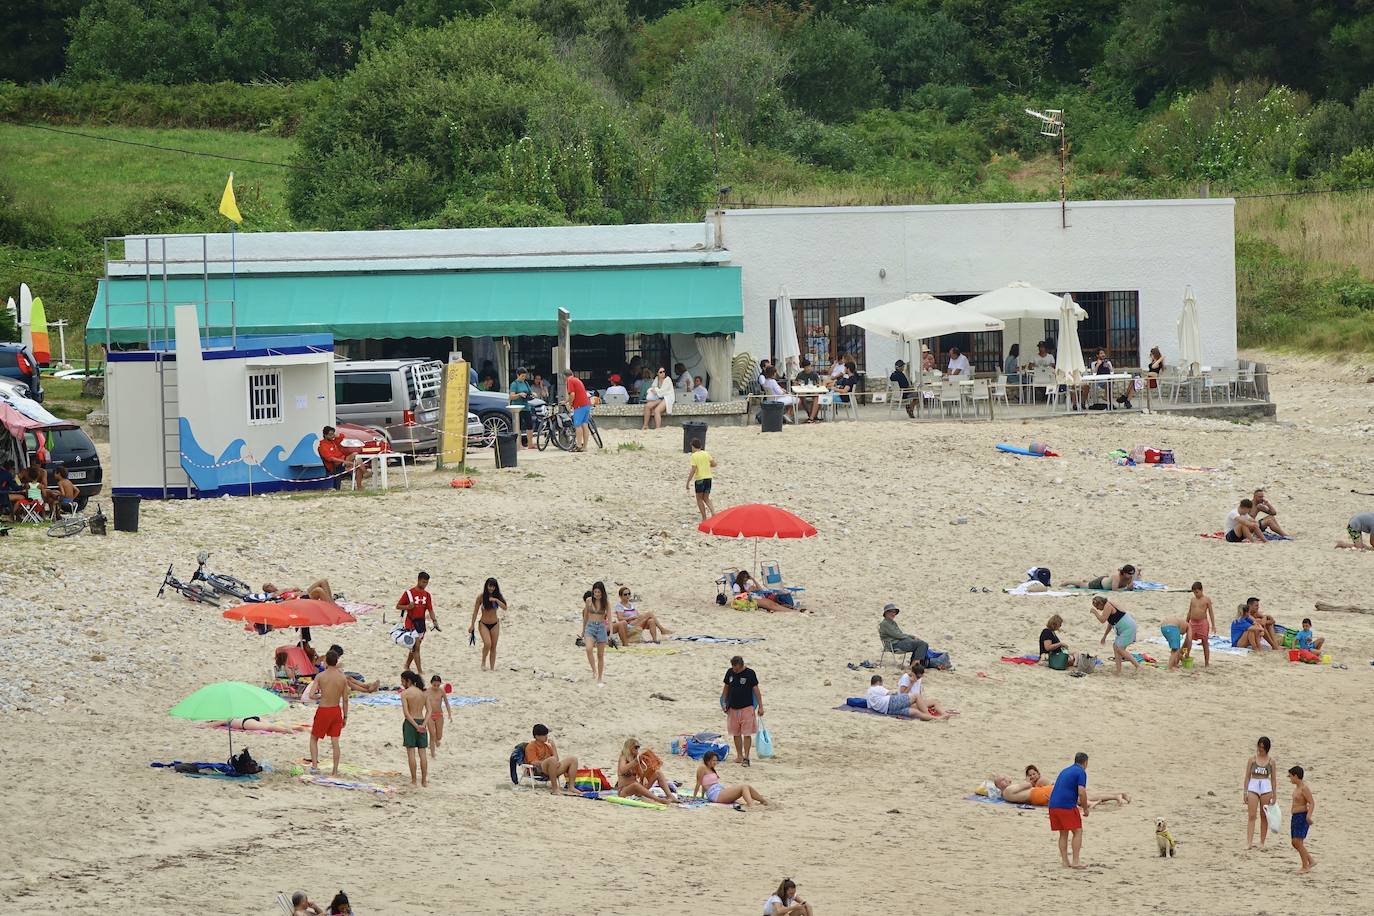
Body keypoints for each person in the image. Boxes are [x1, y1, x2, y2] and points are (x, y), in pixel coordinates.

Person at [305, 649, 349, 776]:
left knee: (314, 738)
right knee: (335, 742)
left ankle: (314, 767)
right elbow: (345, 699)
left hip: (324, 710)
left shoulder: (320, 676)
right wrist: (345, 716)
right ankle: (334, 771)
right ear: (337, 661)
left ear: (326, 661)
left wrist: (321, 696)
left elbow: (311, 695)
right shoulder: (342, 677)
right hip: (336, 710)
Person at [1049, 752, 1091, 869]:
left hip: (1053, 805)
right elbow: (1081, 792)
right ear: (1085, 763)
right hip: (1066, 806)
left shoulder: (1065, 770)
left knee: (1063, 833)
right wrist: (1085, 808)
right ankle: (1076, 861)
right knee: (1078, 831)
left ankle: (1065, 861)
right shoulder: (1081, 772)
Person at [722, 655, 762, 766]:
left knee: (747, 733)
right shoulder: (730, 672)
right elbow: (726, 688)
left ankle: (746, 757)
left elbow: (756, 691)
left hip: (747, 708)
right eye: (733, 668)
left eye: (737, 668)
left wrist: (761, 706)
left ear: (741, 665)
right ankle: (739, 756)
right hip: (732, 708)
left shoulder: (750, 673)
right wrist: (723, 703)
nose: (735, 670)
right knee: (736, 733)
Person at [695, 750, 767, 808]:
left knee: (747, 786)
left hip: (719, 790)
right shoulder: (702, 767)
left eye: (716, 760)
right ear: (708, 760)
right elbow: (699, 783)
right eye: (714, 760)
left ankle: (763, 801)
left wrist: (702, 795)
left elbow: (705, 783)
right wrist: (694, 797)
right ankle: (751, 805)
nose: (715, 762)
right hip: (715, 794)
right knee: (744, 787)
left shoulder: (711, 769)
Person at [616, 737, 679, 803]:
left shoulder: (636, 759)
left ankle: (670, 795)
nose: (637, 749)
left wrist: (646, 765)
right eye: (636, 747)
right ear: (629, 748)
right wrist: (635, 762)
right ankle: (659, 800)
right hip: (624, 791)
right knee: (635, 785)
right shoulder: (623, 758)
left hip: (637, 790)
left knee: (658, 773)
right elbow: (622, 770)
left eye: (638, 747)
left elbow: (642, 776)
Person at [397, 572, 436, 676]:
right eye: (423, 582)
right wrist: (407, 607)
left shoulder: (427, 595)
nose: (424, 585)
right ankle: (419, 671)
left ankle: (407, 665)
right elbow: (398, 606)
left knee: (413, 647)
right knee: (416, 646)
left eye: (426, 583)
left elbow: (430, 609)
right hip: (410, 623)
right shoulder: (409, 593)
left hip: (421, 624)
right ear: (418, 580)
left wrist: (435, 621)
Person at [1090, 595, 1141, 674]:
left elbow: (1102, 620)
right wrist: (1104, 636)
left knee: (1120, 649)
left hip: (1128, 628)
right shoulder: (1108, 606)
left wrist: (1095, 613)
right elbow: (1110, 624)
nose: (1097, 609)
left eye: (1097, 607)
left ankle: (1137, 666)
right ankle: (1118, 670)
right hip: (1125, 628)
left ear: (1100, 603)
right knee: (1115, 647)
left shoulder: (1108, 605)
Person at [524, 723, 578, 795]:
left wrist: (553, 746)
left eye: (546, 734)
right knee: (552, 760)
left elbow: (556, 759)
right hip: (538, 769)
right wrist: (549, 762)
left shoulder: (547, 746)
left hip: (552, 768)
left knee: (573, 759)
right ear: (537, 736)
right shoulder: (531, 746)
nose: (546, 737)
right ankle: (555, 789)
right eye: (544, 735)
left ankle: (571, 787)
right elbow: (533, 762)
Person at [1244, 736, 1278, 850]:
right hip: (1253, 785)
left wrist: (1274, 793)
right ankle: (1249, 842)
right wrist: (1245, 792)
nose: (1260, 749)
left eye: (1263, 747)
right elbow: (1247, 776)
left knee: (1264, 815)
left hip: (1265, 786)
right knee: (1252, 815)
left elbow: (1273, 779)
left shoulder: (1271, 761)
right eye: (1259, 747)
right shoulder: (1252, 759)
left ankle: (1262, 842)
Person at [468, 577, 506, 672]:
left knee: (493, 646)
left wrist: (496, 600)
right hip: (483, 624)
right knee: (487, 643)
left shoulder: (498, 596)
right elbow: (475, 611)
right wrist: (472, 625)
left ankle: (492, 668)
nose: (491, 588)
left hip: (495, 624)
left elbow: (505, 607)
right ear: (486, 586)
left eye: (493, 587)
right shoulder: (481, 597)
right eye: (490, 586)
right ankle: (483, 662)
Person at [400, 670, 430, 787]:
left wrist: (415, 726)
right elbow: (429, 711)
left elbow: (406, 714)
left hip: (410, 723)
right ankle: (424, 781)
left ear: (408, 681)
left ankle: (413, 780)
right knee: (422, 753)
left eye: (403, 681)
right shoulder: (423, 693)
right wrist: (423, 725)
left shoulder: (405, 694)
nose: (402, 683)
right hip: (422, 721)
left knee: (411, 753)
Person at [878, 602, 929, 667]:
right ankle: (915, 665)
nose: (893, 614)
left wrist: (911, 637)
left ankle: (915, 664)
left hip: (899, 642)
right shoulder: (885, 624)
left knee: (922, 643)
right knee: (922, 644)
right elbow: (898, 635)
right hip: (894, 645)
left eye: (894, 612)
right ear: (886, 613)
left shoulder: (892, 622)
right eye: (891, 612)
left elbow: (900, 634)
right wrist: (911, 637)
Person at [582, 581, 611, 685]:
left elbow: (610, 619)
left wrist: (610, 633)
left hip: (601, 628)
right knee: (588, 648)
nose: (597, 594)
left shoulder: (606, 603)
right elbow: (585, 616)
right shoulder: (589, 601)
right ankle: (594, 670)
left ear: (602, 592)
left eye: (599, 592)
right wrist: (583, 630)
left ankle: (600, 677)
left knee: (600, 655)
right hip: (590, 627)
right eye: (595, 592)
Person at [1288, 765, 1316, 873]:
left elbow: (1312, 802)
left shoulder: (1304, 788)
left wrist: (1308, 816)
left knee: (1298, 842)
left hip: (1301, 816)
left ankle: (1305, 866)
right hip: (1295, 817)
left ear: (1296, 776)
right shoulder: (1296, 788)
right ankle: (1310, 860)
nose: (1290, 779)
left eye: (1291, 776)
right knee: (1295, 843)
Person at [1183, 581, 1216, 667]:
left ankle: (1206, 662)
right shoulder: (1193, 600)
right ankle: (1185, 655)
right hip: (1192, 622)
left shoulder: (1206, 600)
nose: (1196, 594)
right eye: (1194, 592)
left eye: (1197, 592)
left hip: (1202, 623)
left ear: (1201, 590)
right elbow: (1190, 611)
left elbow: (1211, 613)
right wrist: (1186, 623)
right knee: (1187, 641)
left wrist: (1213, 625)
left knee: (1205, 642)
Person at [686, 437, 717, 521]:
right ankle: (713, 512)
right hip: (708, 478)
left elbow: (693, 469)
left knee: (699, 499)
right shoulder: (706, 453)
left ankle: (704, 518)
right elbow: (714, 464)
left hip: (700, 479)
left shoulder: (694, 456)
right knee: (706, 498)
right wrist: (706, 465)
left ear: (693, 446)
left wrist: (688, 481)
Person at [509, 366, 536, 449]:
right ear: (518, 375)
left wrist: (533, 394)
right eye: (522, 376)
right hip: (517, 407)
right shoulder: (514, 384)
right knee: (519, 426)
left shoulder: (526, 383)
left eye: (525, 376)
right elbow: (511, 396)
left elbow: (530, 392)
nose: (524, 378)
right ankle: (519, 444)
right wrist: (519, 394)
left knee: (529, 425)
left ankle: (530, 444)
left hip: (526, 406)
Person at [564, 372, 593, 451]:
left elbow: (572, 394)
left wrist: (570, 404)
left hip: (579, 405)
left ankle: (579, 445)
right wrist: (566, 401)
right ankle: (585, 447)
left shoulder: (570, 381)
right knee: (585, 425)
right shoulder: (577, 380)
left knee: (577, 425)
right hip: (586, 404)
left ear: (564, 376)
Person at [425, 674, 451, 759]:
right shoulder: (426, 692)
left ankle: (437, 740)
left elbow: (447, 703)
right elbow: (421, 703)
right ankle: (433, 754)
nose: (436, 687)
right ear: (431, 683)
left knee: (438, 736)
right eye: (434, 685)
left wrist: (449, 714)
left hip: (439, 715)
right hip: (429, 715)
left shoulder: (441, 691)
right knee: (432, 735)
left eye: (438, 685)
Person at [1062, 564, 1138, 591]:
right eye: (1129, 573)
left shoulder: (1130, 577)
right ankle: (1067, 582)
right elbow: (1114, 590)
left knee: (1085, 584)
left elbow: (1136, 570)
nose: (1131, 575)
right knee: (1084, 585)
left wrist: (1130, 587)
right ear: (1124, 573)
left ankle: (1086, 581)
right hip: (1100, 583)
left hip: (1106, 581)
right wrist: (1125, 589)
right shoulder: (1116, 576)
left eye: (1132, 573)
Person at [794, 358, 823, 422]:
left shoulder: (814, 374)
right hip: (803, 391)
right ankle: (810, 414)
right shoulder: (800, 374)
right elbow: (795, 383)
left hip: (813, 391)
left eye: (809, 367)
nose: (808, 368)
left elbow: (819, 383)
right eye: (806, 367)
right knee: (801, 398)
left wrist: (818, 385)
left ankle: (811, 418)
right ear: (803, 368)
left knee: (817, 397)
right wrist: (798, 384)